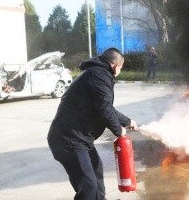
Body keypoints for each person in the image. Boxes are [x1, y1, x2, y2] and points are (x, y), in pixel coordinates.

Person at [47, 47, 138, 200]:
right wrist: (118, 130)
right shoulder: (99, 76)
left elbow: (104, 107)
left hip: (80, 139)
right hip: (68, 140)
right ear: (116, 66)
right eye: (121, 68)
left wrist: (127, 121)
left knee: (96, 173)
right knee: (88, 185)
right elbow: (104, 109)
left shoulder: (97, 74)